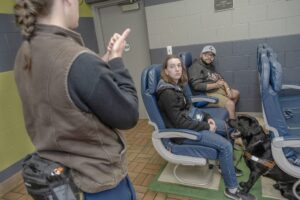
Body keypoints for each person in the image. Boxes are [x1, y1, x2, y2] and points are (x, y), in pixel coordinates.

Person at [14, 0, 138, 199]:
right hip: (99, 184)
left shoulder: (24, 54)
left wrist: (101, 62)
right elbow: (129, 115)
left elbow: (62, 91)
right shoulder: (79, 60)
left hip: (60, 184)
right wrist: (116, 61)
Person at [156, 55, 255, 200]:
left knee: (229, 128)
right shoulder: (167, 93)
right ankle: (232, 189)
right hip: (183, 134)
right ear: (166, 71)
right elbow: (179, 123)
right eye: (172, 66)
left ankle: (224, 165)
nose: (177, 69)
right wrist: (206, 126)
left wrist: (208, 117)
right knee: (226, 146)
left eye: (179, 65)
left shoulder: (178, 86)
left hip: (192, 124)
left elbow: (191, 109)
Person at [188, 45, 240, 122]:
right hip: (205, 94)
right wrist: (216, 85)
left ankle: (228, 116)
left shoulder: (210, 66)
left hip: (215, 89)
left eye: (212, 55)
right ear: (201, 54)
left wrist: (227, 88)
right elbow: (196, 86)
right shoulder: (195, 67)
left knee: (236, 93)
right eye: (206, 54)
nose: (209, 57)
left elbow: (220, 78)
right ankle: (233, 128)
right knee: (230, 104)